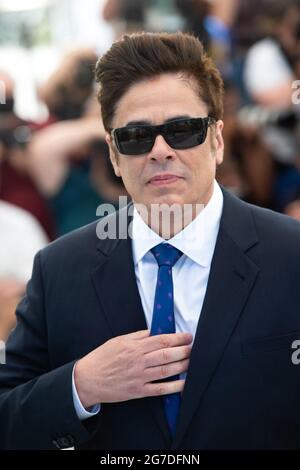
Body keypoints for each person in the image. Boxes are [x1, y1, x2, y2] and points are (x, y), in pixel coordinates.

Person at [0, 31, 300, 451]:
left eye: (182, 130)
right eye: (137, 137)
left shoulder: (291, 254)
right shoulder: (59, 268)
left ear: (216, 140)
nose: (160, 151)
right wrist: (80, 385)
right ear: (113, 154)